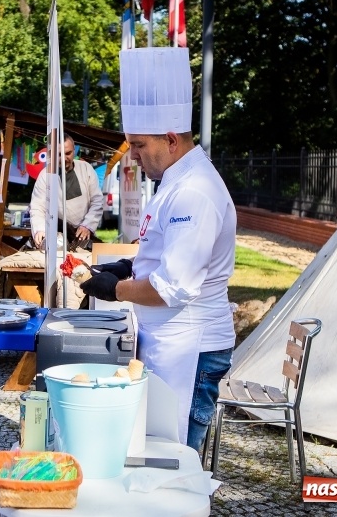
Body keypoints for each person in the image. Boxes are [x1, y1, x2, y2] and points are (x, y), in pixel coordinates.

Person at [80, 47, 237, 452]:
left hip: (190, 347)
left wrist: (114, 289)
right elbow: (165, 254)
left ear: (169, 139)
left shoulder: (194, 191)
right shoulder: (174, 180)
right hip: (172, 341)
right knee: (157, 454)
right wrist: (128, 265)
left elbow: (173, 286)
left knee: (176, 461)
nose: (132, 155)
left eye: (138, 145)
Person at [29, 134, 103, 249]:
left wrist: (87, 225)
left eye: (68, 153)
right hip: (56, 233)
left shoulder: (86, 168)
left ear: (74, 151)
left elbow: (97, 201)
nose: (64, 158)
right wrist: (39, 229)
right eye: (59, 154)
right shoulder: (45, 175)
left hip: (83, 233)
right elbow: (37, 206)